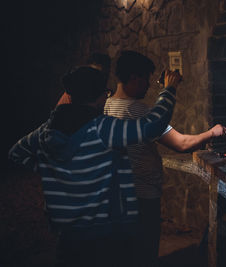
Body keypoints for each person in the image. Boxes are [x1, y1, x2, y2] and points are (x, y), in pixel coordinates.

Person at [8, 65, 181, 267]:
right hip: (107, 236)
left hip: (67, 237)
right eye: (105, 94)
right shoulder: (103, 129)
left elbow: (16, 153)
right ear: (99, 96)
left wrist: (52, 170)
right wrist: (169, 88)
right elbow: (153, 124)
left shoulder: (45, 131)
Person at [104, 50, 226, 267]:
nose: (148, 85)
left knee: (123, 255)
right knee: (144, 255)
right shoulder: (139, 111)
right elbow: (182, 143)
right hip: (142, 198)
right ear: (135, 77)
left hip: (117, 196)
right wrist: (212, 132)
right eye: (146, 79)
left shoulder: (107, 105)